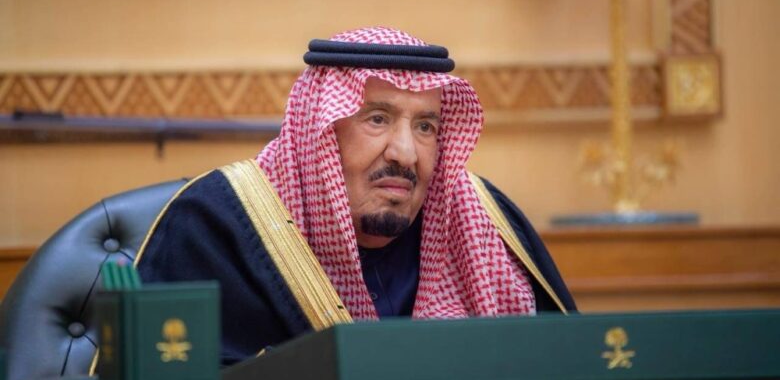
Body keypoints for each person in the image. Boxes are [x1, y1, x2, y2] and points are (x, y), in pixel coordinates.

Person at [136, 26, 576, 365]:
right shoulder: (214, 227)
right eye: (377, 119)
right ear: (321, 132)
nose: (406, 153)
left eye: (425, 126)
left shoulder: (486, 223)